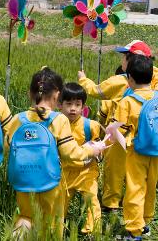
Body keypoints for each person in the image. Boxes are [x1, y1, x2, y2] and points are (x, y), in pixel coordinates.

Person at [6, 67, 106, 238]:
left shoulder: (18, 119)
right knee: (52, 223)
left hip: (23, 181)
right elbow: (71, 153)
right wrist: (92, 150)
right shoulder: (58, 119)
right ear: (57, 95)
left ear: (30, 93)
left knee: (25, 217)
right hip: (50, 182)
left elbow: (7, 146)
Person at [78, 40, 157, 212]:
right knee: (139, 174)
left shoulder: (121, 81)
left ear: (132, 60)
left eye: (124, 56)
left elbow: (95, 91)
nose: (122, 60)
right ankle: (137, 204)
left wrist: (83, 80)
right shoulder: (155, 77)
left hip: (120, 133)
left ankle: (111, 202)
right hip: (147, 137)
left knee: (114, 168)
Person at [110, 54, 157, 240]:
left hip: (136, 152)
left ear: (129, 78)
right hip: (156, 150)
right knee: (151, 186)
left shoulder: (127, 102)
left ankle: (134, 230)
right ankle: (145, 222)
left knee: (135, 188)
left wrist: (125, 144)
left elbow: (115, 129)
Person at [58, 83, 102, 234]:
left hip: (86, 171)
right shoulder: (56, 125)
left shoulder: (91, 126)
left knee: (91, 200)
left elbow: (99, 146)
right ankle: (57, 228)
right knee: (60, 203)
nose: (73, 108)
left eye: (77, 104)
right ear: (60, 105)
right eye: (68, 104)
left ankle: (92, 230)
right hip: (65, 172)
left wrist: (99, 151)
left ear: (83, 106)